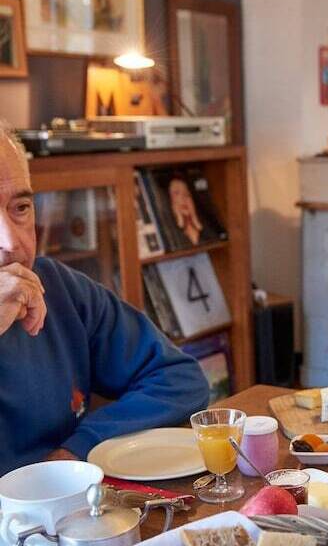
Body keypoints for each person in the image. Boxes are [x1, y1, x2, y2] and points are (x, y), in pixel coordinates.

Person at [0, 126, 209, 475]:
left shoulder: (59, 289)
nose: (11, 241)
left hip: (64, 510)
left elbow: (179, 378)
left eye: (21, 208)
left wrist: (79, 448)